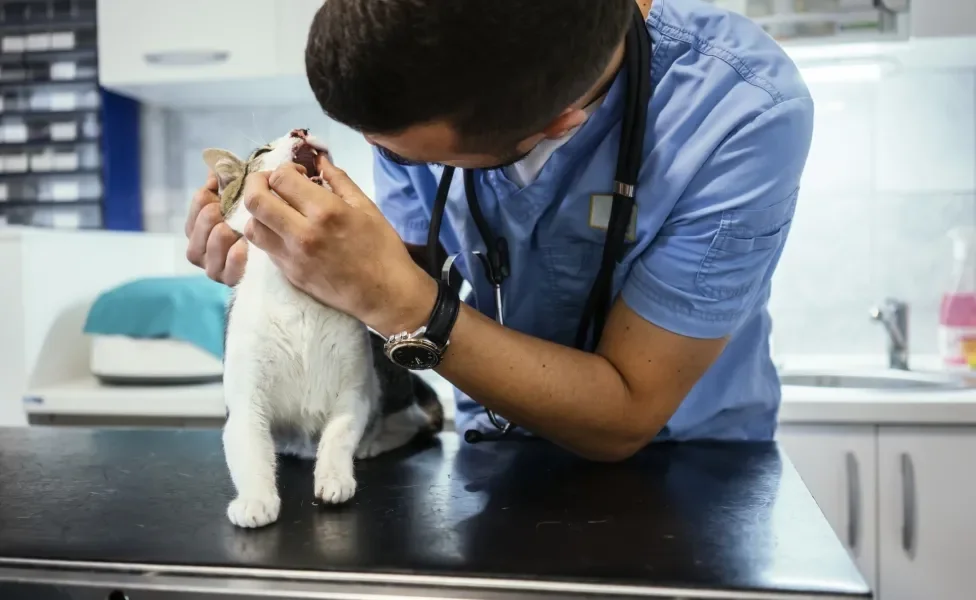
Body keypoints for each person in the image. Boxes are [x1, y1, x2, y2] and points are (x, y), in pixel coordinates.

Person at [185, 0, 814, 461]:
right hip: (495, 449)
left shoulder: (740, 113)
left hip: (685, 473)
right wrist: (294, 262)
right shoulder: (430, 75)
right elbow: (403, 273)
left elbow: (626, 412)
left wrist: (396, 300)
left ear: (559, 124)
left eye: (411, 158)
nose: (393, 163)